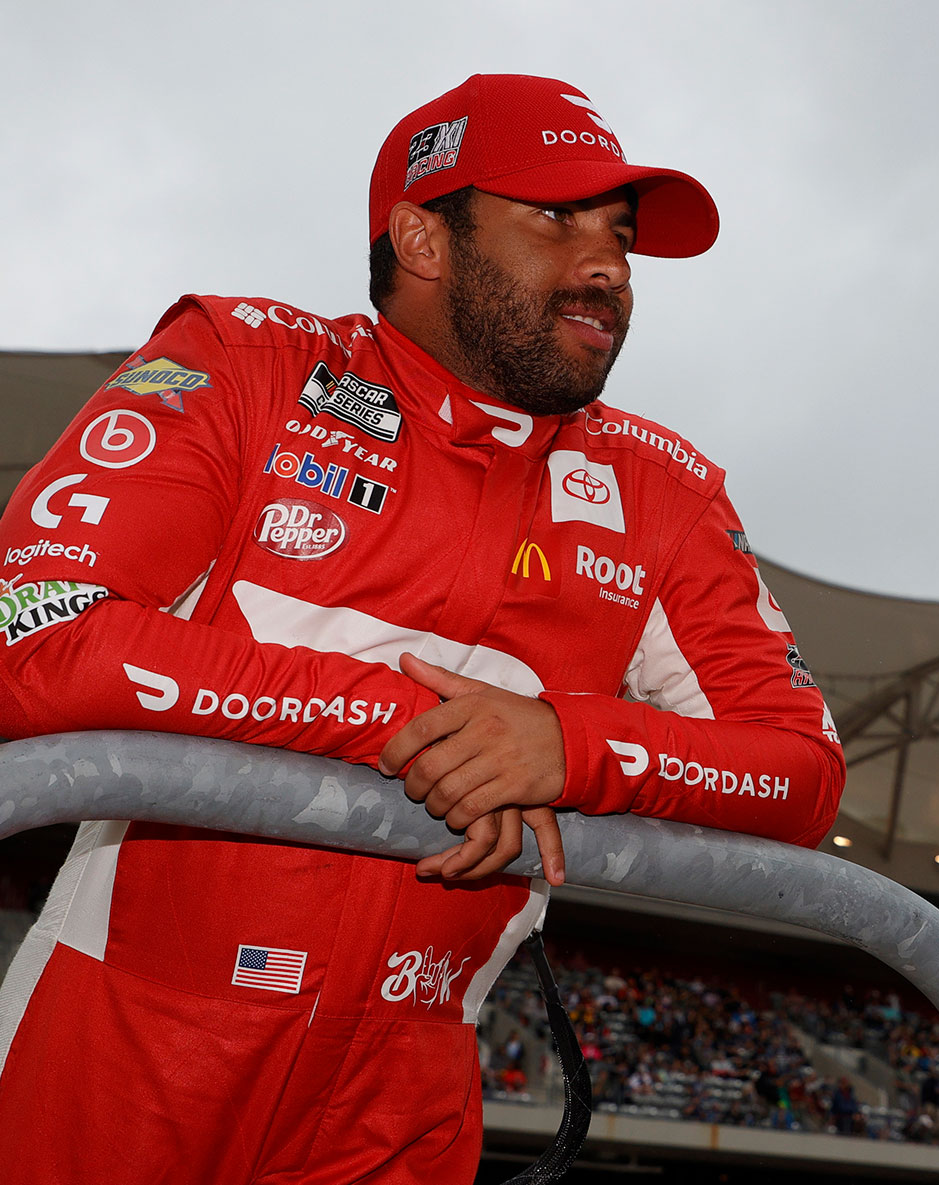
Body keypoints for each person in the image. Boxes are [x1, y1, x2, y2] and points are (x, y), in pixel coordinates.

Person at [0, 73, 844, 1181]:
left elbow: (800, 769)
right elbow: (38, 633)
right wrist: (408, 726)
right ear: (422, 237)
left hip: (407, 1092)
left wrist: (567, 744)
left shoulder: (663, 492)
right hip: (117, 1048)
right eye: (556, 218)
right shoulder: (242, 363)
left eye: (619, 233)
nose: (607, 267)